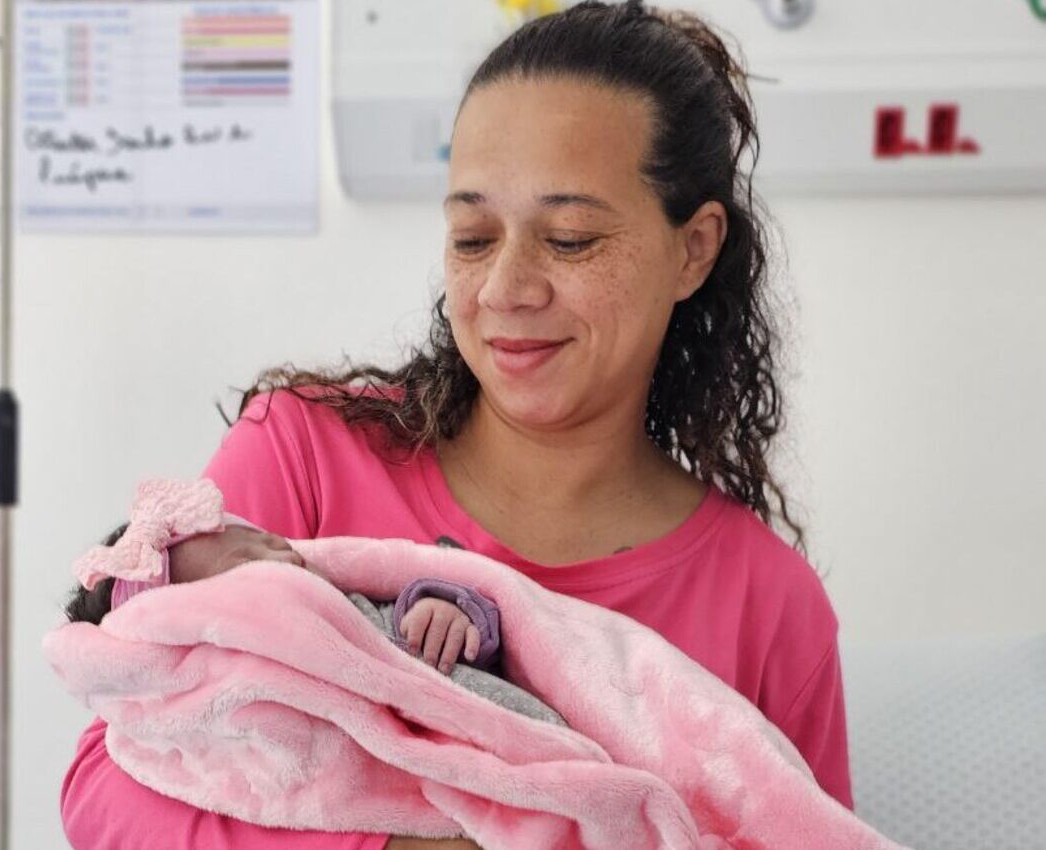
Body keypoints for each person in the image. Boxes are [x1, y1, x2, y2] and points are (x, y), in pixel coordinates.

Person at [59, 2, 853, 848]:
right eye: (473, 238)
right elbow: (105, 788)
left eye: (571, 239)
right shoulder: (303, 460)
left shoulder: (766, 605)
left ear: (692, 249)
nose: (506, 288)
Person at [61, 484, 568, 727]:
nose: (284, 551)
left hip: (523, 730)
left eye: (262, 538)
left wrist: (447, 610)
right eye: (249, 564)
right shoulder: (249, 700)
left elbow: (486, 618)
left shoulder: (357, 604)